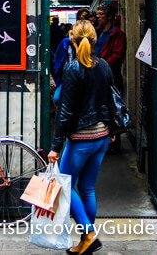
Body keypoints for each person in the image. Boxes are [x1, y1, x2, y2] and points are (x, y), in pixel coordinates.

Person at [48, 20, 115, 255]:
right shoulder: (104, 65)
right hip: (102, 136)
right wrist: (112, 131)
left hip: (82, 139)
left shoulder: (74, 69)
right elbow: (110, 101)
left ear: (72, 41)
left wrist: (55, 146)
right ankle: (87, 240)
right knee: (87, 188)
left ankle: (88, 233)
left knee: (64, 185)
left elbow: (64, 112)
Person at [93, 3, 126, 152]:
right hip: (95, 77)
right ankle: (100, 141)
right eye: (98, 13)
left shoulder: (118, 34)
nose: (98, 16)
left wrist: (100, 65)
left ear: (110, 17)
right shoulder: (97, 32)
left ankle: (114, 144)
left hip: (110, 78)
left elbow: (118, 56)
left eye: (101, 14)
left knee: (113, 110)